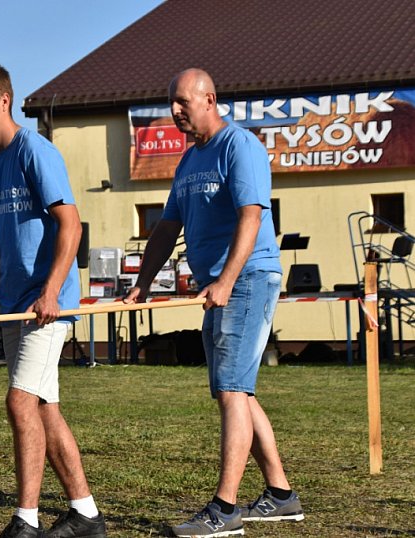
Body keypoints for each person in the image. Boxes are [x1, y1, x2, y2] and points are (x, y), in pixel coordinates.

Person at [123, 68, 304, 537]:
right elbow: (166, 227)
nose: (175, 111)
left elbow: (251, 215)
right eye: (171, 104)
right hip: (217, 286)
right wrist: (143, 282)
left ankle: (224, 511)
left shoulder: (238, 146)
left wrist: (225, 279)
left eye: (183, 101)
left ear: (210, 98)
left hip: (245, 280)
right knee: (237, 390)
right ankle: (282, 496)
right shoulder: (188, 161)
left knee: (230, 391)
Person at [0, 62, 106, 538]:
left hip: (48, 304)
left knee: (20, 402)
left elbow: (71, 224)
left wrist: (49, 291)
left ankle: (26, 520)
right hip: (14, 304)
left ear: (4, 101)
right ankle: (85, 513)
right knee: (43, 406)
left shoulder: (35, 150)